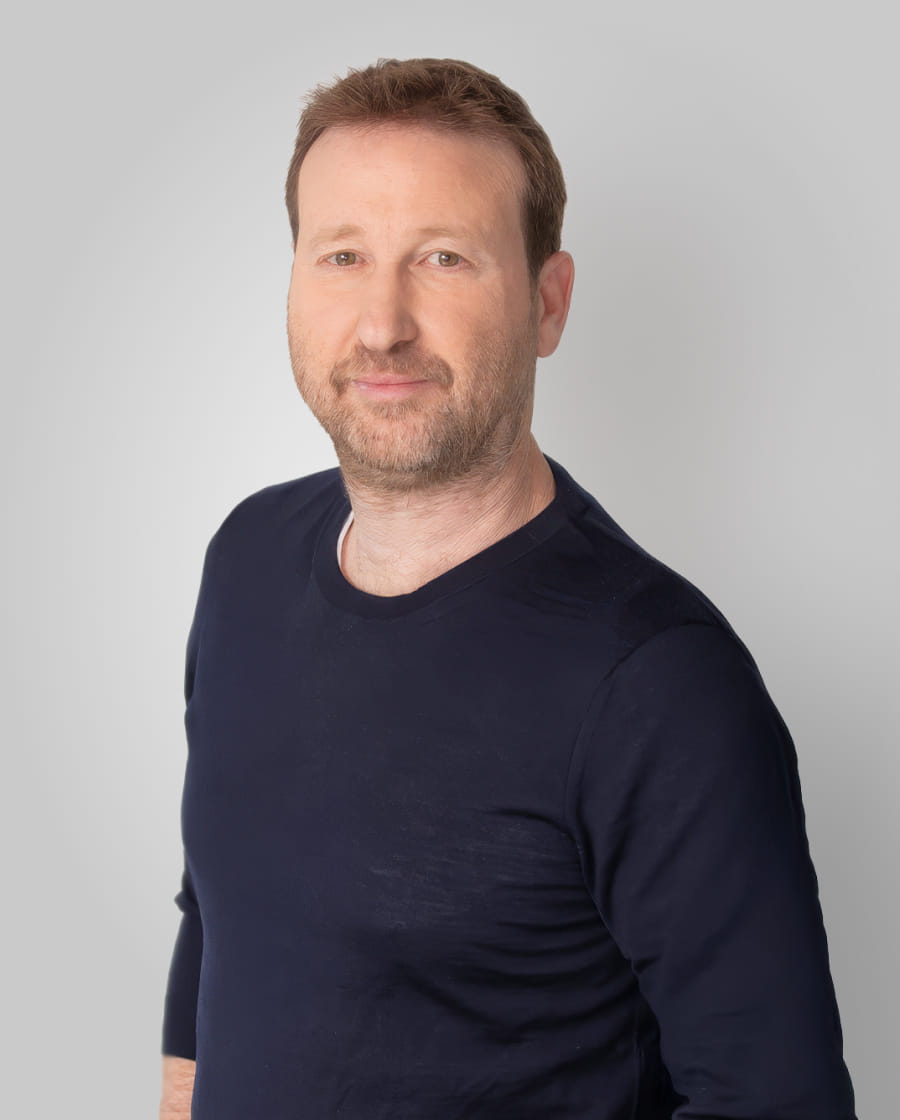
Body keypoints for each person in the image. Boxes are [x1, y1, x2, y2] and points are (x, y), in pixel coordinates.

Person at [159, 58, 856, 1119]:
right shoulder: (246, 557)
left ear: (548, 301)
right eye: (342, 255)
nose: (382, 323)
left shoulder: (659, 682)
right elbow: (219, 909)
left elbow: (775, 1101)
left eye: (442, 258)